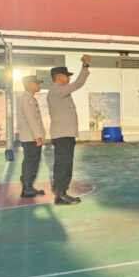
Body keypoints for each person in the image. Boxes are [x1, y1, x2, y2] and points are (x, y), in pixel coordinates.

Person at [47, 55, 90, 205]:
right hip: (62, 135)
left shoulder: (60, 91)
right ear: (59, 78)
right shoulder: (57, 91)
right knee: (63, 164)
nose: (69, 79)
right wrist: (85, 65)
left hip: (66, 135)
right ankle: (60, 194)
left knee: (66, 164)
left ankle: (63, 192)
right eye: (67, 76)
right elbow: (79, 83)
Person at [18, 75, 46, 198]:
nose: (39, 85)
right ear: (30, 84)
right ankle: (26, 188)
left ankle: (30, 186)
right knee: (30, 161)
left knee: (34, 161)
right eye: (37, 83)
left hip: (32, 137)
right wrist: (37, 137)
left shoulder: (31, 99)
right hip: (30, 137)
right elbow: (31, 119)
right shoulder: (26, 99)